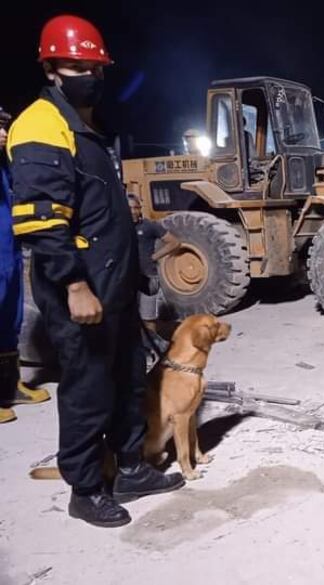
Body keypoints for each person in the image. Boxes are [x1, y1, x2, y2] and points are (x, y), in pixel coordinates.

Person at [7, 14, 184, 527]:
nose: (90, 73)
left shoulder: (87, 128)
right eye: (76, 64)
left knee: (128, 379)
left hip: (115, 285)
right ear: (50, 67)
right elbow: (40, 220)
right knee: (87, 390)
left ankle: (131, 467)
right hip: (82, 287)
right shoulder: (41, 124)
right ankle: (85, 489)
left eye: (94, 65)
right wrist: (74, 285)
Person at [1, 106, 51, 424]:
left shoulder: (6, 165)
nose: (5, 134)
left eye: (6, 127)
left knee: (10, 319)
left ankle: (9, 386)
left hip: (9, 253)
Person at [127, 194, 178, 331]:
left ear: (140, 209)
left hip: (148, 278)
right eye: (129, 208)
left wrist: (154, 257)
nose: (133, 211)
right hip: (127, 278)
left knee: (148, 318)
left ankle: (151, 346)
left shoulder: (149, 226)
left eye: (136, 208)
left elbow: (174, 242)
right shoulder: (119, 229)